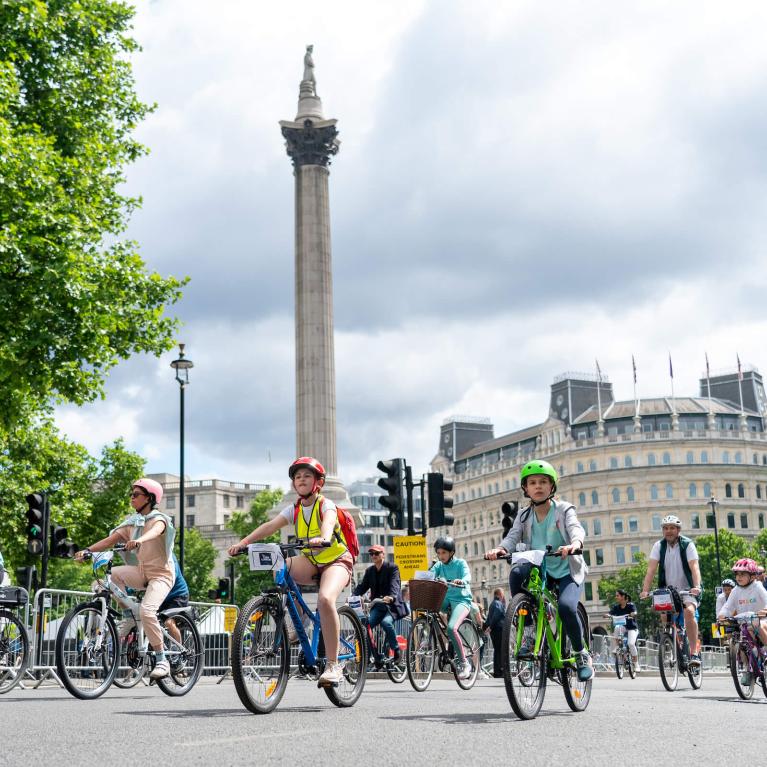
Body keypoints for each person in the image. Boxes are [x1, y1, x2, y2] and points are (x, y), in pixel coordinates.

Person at [227, 457, 354, 687]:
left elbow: (328, 522)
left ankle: (334, 665)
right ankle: (298, 622)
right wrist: (243, 543)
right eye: (297, 477)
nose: (301, 480)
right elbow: (269, 526)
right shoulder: (294, 509)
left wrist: (324, 538)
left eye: (307, 476)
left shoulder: (326, 505)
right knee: (280, 565)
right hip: (312, 559)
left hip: (336, 560)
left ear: (318, 482)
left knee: (325, 599)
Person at [485, 460, 593, 681]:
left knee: (565, 607)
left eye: (543, 482)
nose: (538, 486)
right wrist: (500, 549)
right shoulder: (523, 515)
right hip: (541, 571)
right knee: (516, 573)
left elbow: (575, 529)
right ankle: (529, 630)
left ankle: (581, 653)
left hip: (566, 572)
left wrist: (575, 544)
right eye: (532, 483)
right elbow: (512, 537)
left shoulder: (564, 509)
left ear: (552, 486)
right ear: (525, 488)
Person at [75, 478, 176, 680]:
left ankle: (162, 659)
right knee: (102, 581)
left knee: (148, 611)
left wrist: (139, 540)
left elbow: (155, 531)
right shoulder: (132, 523)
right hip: (141, 571)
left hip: (161, 574)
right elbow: (110, 540)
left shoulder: (160, 519)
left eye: (136, 495)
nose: (132, 498)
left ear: (149, 498)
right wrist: (87, 550)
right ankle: (129, 613)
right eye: (131, 494)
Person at [640, 514, 703, 668]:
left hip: (688, 589)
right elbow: (651, 570)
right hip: (667, 590)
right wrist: (645, 590)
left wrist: (697, 587)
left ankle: (694, 652)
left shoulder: (687, 544)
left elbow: (694, 567)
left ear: (678, 530)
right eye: (666, 528)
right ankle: (671, 640)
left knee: (688, 612)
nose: (669, 531)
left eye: (672, 528)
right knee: (664, 614)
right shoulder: (658, 546)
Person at [352, 545, 408, 667]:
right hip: (377, 606)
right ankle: (375, 656)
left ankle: (396, 650)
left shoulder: (392, 568)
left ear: (383, 554)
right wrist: (353, 596)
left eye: (376, 553)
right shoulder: (370, 571)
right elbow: (362, 587)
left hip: (391, 606)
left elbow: (395, 584)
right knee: (366, 627)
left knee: (386, 623)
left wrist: (392, 596)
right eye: (371, 554)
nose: (373, 556)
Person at [430, 536, 474, 680]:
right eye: (439, 553)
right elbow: (429, 574)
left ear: (451, 552)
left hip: (462, 600)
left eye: (444, 553)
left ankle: (464, 663)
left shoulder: (461, 563)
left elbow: (467, 576)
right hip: (446, 599)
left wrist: (462, 580)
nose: (441, 556)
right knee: (429, 607)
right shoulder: (438, 565)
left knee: (451, 628)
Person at [717, 559, 767, 683]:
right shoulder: (736, 591)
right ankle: (747, 669)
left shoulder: (758, 587)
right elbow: (728, 607)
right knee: (742, 640)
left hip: (761, 619)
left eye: (743, 574)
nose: (739, 577)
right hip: (745, 623)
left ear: (752, 576)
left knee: (760, 625)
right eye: (737, 574)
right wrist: (722, 615)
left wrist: (764, 610)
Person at [159, 554, 189, 650]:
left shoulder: (169, 555)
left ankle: (179, 650)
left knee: (169, 622)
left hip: (178, 595)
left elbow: (172, 574)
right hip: (162, 597)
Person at [608, 589, 639, 671]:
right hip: (623, 627)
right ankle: (618, 647)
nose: (616, 597)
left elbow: (635, 612)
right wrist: (607, 615)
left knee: (631, 644)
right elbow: (610, 613)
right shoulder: (616, 607)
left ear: (623, 596)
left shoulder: (631, 605)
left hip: (632, 628)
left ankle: (636, 664)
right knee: (617, 627)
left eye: (617, 595)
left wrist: (633, 613)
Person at [483, 588, 506, 678]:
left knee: (497, 650)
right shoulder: (498, 603)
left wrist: (488, 626)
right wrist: (491, 626)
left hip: (494, 630)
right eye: (503, 594)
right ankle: (499, 671)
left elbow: (489, 617)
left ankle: (497, 671)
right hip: (499, 629)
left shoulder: (492, 604)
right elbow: (497, 614)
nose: (503, 596)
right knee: (500, 650)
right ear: (500, 594)